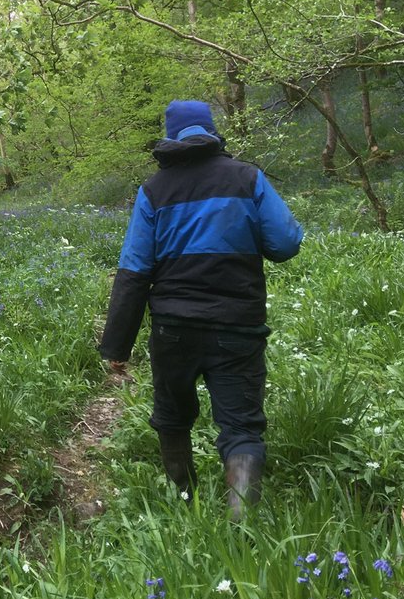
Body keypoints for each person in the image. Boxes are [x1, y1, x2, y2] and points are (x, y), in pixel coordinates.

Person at [99, 100, 303, 519]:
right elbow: (285, 245)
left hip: (174, 329)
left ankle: (186, 504)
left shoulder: (154, 190)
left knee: (172, 418)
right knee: (241, 427)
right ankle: (240, 526)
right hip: (238, 326)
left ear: (171, 136)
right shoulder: (247, 178)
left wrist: (116, 346)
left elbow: (134, 271)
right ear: (211, 131)